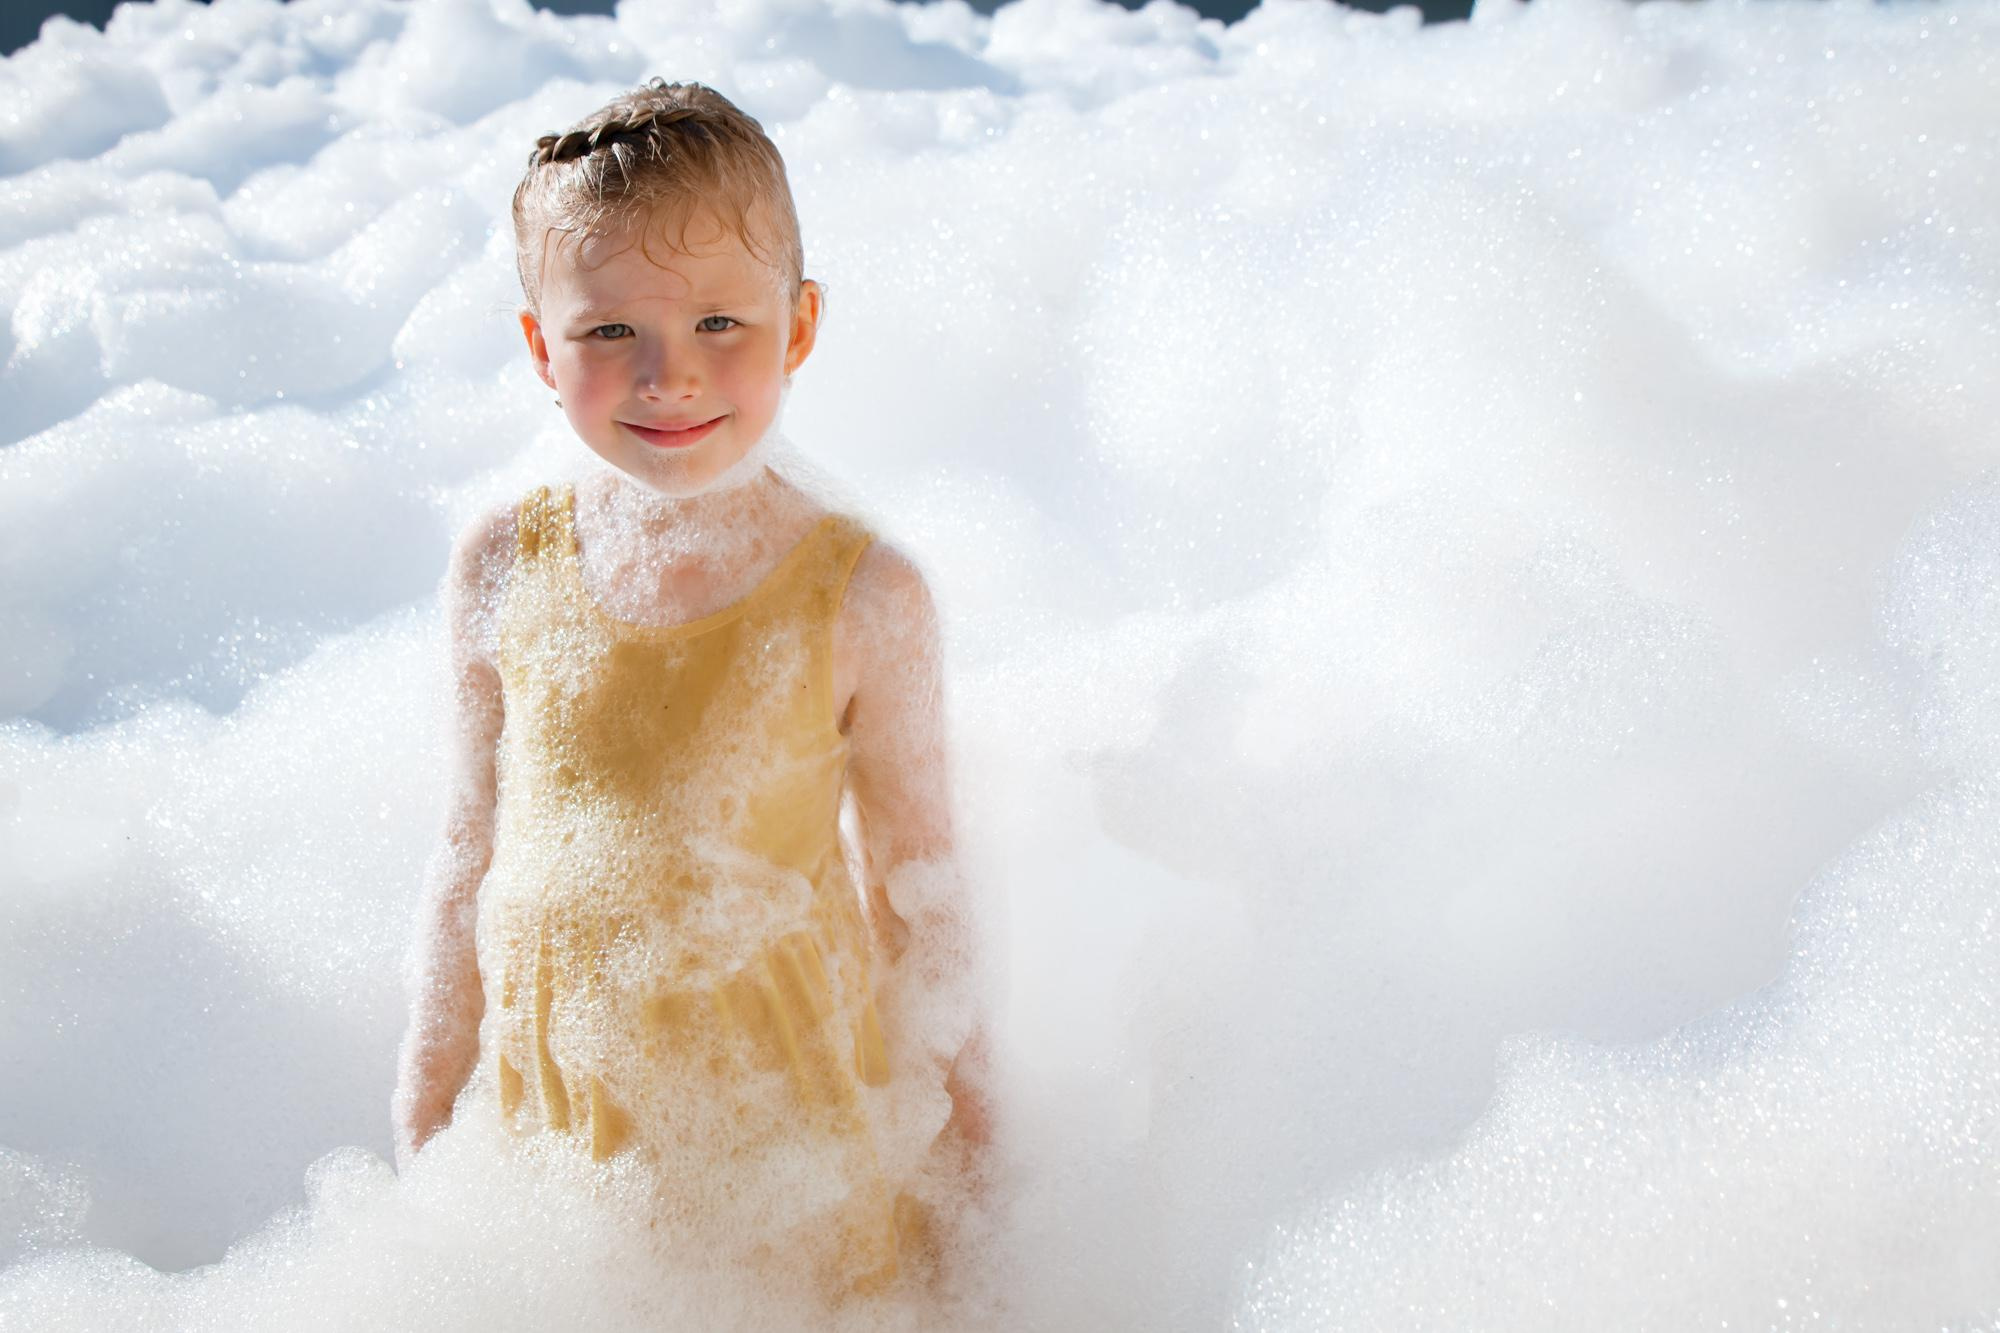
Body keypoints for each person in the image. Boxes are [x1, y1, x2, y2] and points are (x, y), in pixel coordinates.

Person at [388, 78, 990, 1303]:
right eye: (611, 332)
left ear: (800, 326)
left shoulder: (863, 596)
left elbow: (919, 896)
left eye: (722, 322)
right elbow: (469, 851)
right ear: (537, 349)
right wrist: (428, 1090)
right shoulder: (502, 563)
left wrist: (971, 1181)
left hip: (787, 1162)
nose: (670, 375)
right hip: (558, 1156)